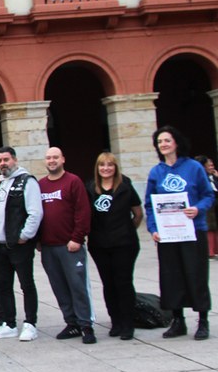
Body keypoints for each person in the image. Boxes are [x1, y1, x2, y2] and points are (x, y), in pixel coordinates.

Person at [145, 126, 214, 340]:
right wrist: (154, 229)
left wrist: (198, 208)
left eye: (167, 140)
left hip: (193, 231)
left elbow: (208, 195)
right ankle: (178, 320)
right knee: (171, 276)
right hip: (168, 234)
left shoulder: (193, 167)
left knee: (196, 274)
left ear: (176, 142)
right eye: (160, 142)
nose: (163, 144)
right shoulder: (157, 172)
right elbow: (149, 204)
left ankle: (202, 320)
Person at [38, 147, 95, 344]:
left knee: (77, 286)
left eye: (55, 157)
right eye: (48, 158)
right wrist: (38, 241)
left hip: (70, 245)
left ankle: (86, 324)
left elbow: (83, 212)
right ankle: (71, 323)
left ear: (63, 159)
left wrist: (77, 238)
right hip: (48, 247)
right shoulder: (41, 185)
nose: (52, 160)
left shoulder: (73, 181)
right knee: (59, 287)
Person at [0, 146, 44, 342]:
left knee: (26, 284)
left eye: (6, 160)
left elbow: (35, 212)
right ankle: (8, 323)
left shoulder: (27, 181)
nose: (3, 163)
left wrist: (25, 235)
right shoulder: (1, 183)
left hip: (18, 244)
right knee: (2, 285)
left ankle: (30, 323)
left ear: (15, 160)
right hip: (0, 243)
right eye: (0, 160)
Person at [87, 152, 143, 341]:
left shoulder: (125, 186)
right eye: (102, 165)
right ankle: (116, 321)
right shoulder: (91, 188)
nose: (106, 168)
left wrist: (126, 229)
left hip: (124, 244)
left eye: (110, 165)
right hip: (100, 244)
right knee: (108, 283)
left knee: (124, 282)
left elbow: (138, 214)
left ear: (115, 167)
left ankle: (128, 323)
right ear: (98, 168)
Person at [194, 155, 218, 257]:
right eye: (209, 165)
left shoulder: (212, 177)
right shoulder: (201, 178)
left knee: (214, 227)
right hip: (207, 207)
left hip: (214, 207)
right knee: (209, 228)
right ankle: (210, 251)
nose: (212, 167)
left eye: (212, 165)